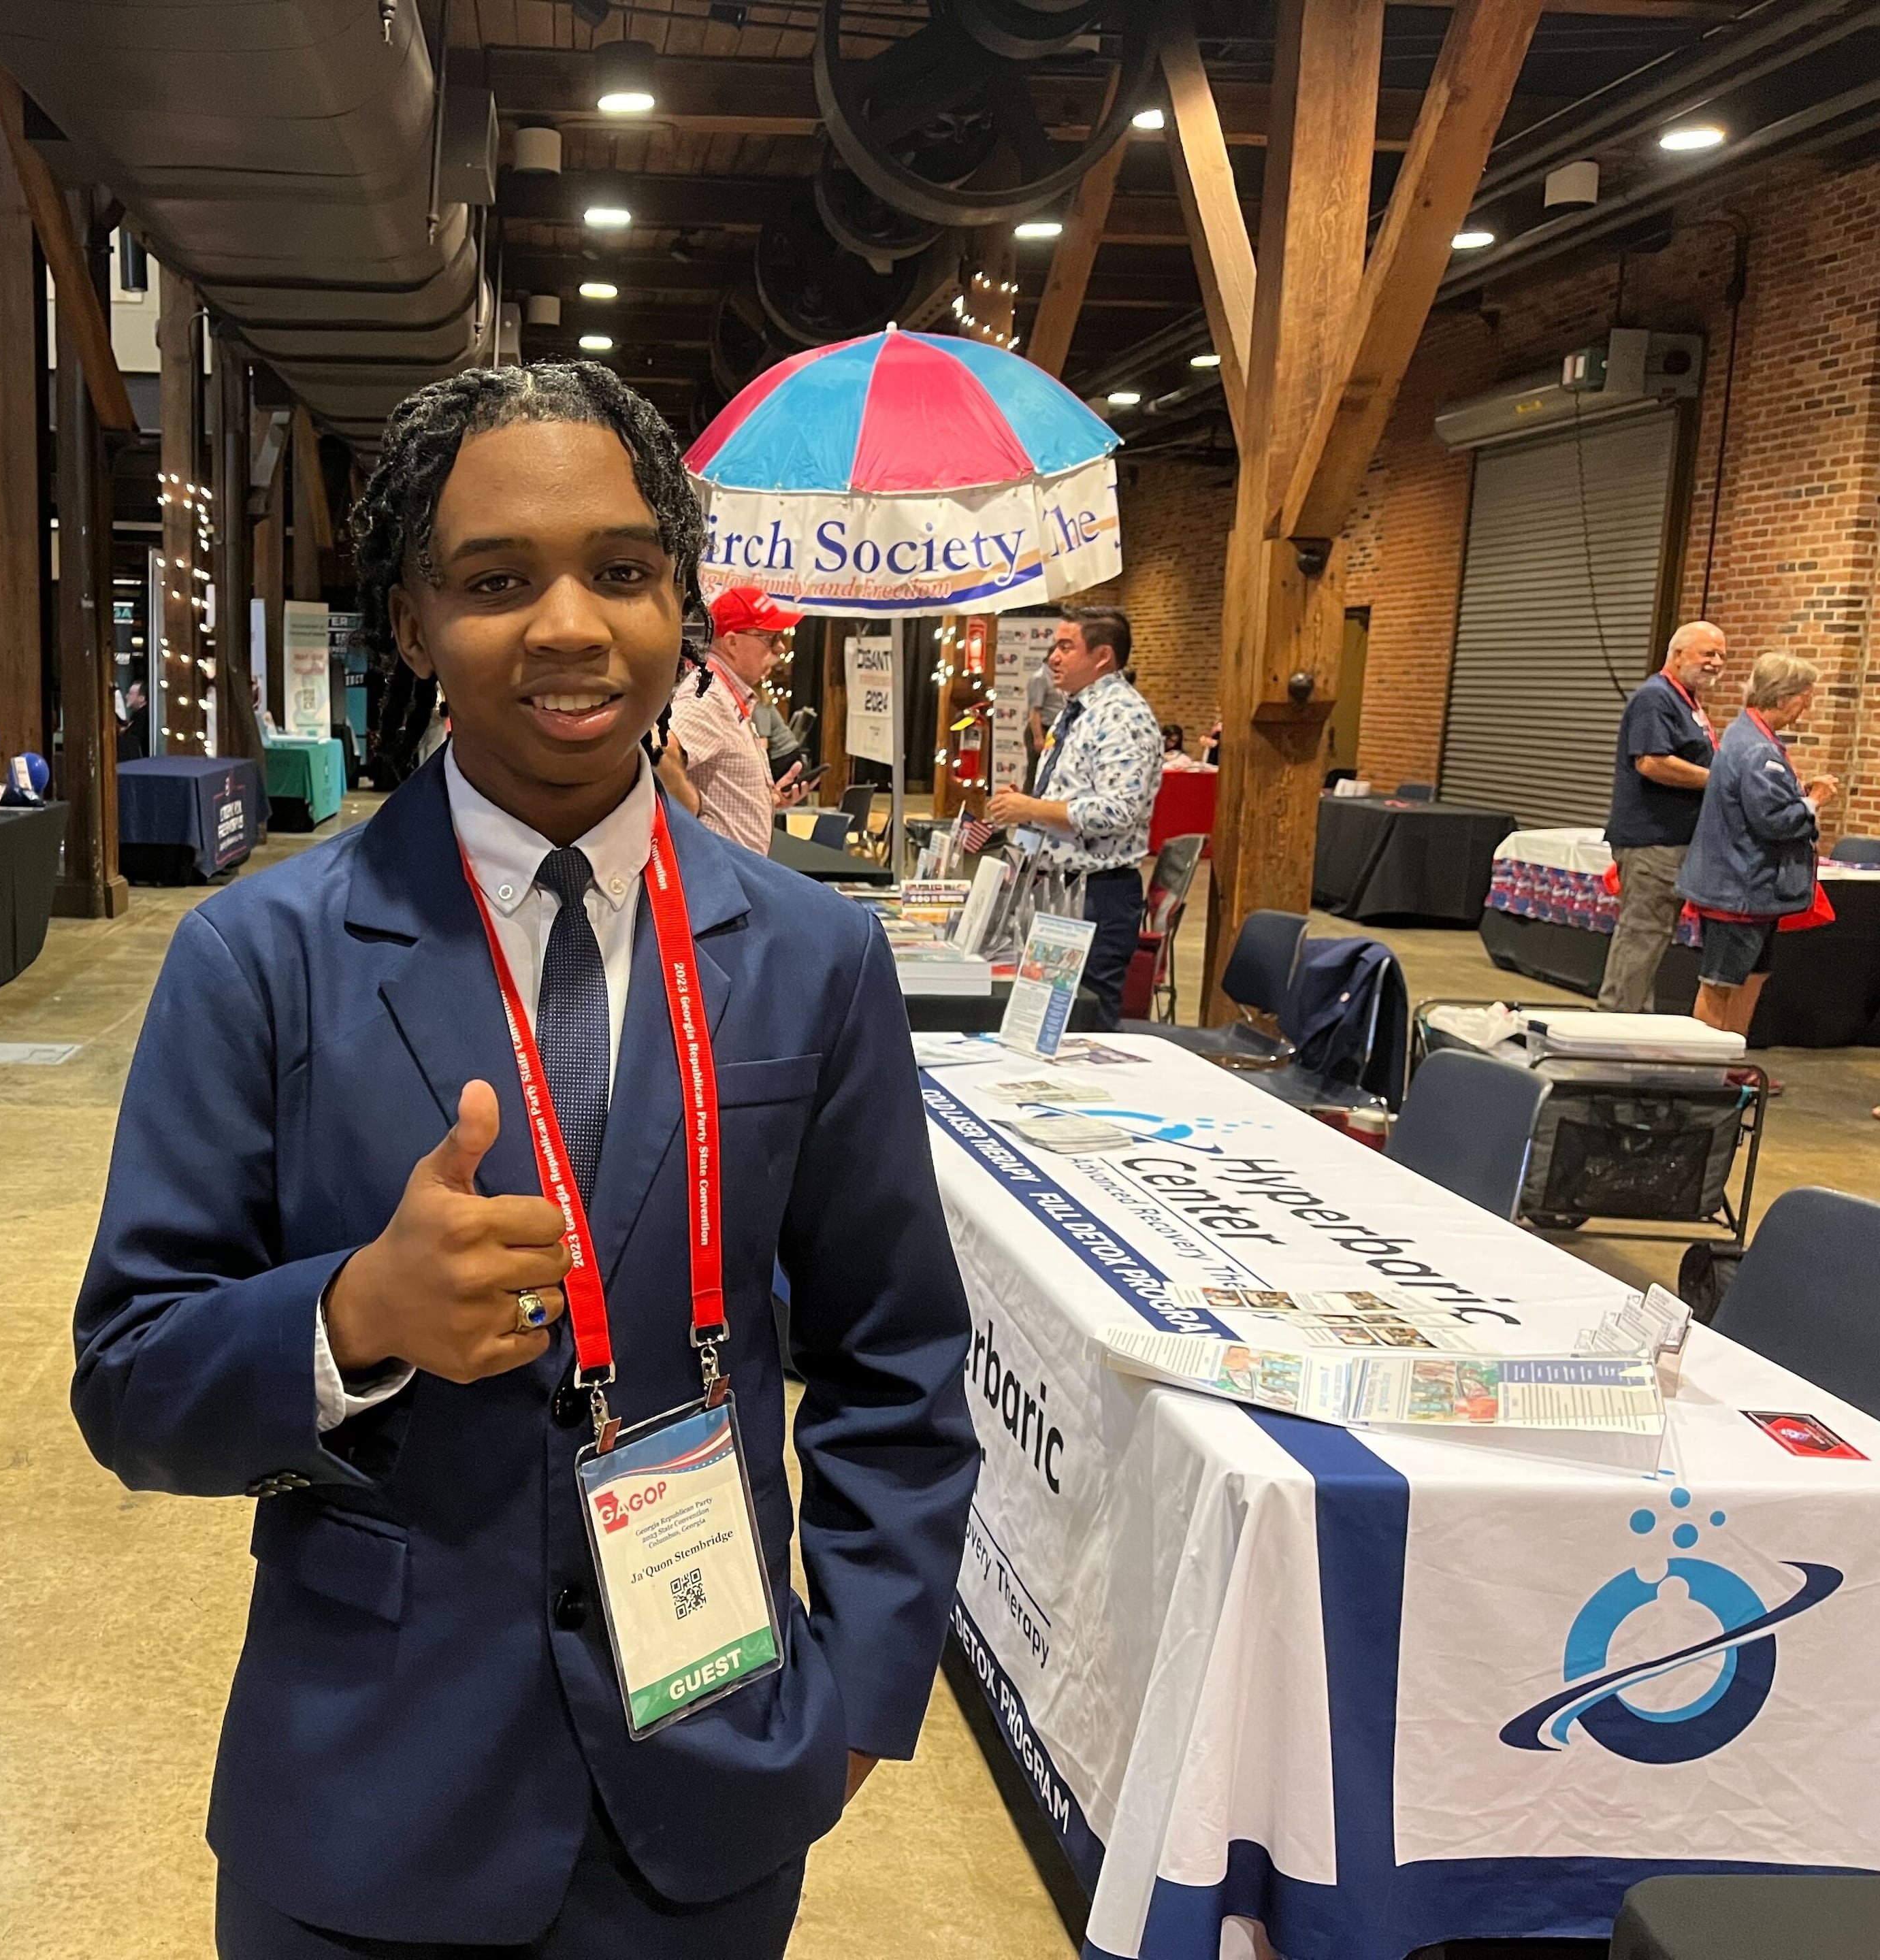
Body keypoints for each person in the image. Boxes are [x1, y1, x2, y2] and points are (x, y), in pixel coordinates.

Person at [74, 363, 977, 1959]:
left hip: (709, 1790)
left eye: (622, 571)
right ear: (413, 623)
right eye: (496, 583)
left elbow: (894, 1358)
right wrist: (350, 1318)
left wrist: (852, 1702)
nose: (570, 626)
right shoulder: (260, 961)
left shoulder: (810, 960)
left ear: (681, 606)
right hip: (367, 1804)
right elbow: (130, 1382)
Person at [984, 606, 1162, 1027]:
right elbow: (1074, 795)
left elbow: (1119, 810)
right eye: (1055, 647)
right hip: (1058, 890)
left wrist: (1032, 809)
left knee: (1086, 1024)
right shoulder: (1076, 710)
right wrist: (1031, 806)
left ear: (1102, 656)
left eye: (1066, 647)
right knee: (1045, 1022)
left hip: (1097, 895)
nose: (1054, 657)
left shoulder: (1123, 716)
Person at [1676, 651, 1834, 1044]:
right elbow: (1775, 821)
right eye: (1804, 698)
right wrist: (1814, 801)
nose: (1806, 707)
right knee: (1721, 984)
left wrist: (1797, 795)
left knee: (1752, 978)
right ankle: (1706, 1066)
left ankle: (1730, 1060)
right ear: (1782, 698)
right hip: (1740, 889)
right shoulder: (1758, 750)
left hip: (1749, 888)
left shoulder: (1746, 735)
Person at [1598, 621, 1725, 1014]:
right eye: (1708, 653)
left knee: (1651, 939)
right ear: (1678, 654)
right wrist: (1721, 779)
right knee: (1643, 935)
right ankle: (1615, 1024)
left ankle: (1635, 1023)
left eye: (1722, 656)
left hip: (1673, 841)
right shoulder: (1656, 698)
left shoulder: (1686, 702)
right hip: (1653, 842)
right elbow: (1652, 762)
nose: (1716, 662)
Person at [655, 585, 803, 851]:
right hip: (720, 870)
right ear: (733, 643)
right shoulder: (709, 694)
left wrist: (769, 799)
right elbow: (661, 750)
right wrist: (690, 808)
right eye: (771, 638)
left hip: (731, 867)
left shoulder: (725, 693)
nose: (780, 647)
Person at [1024, 656, 1065, 790]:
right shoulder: (1040, 678)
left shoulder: (1058, 678)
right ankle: (1028, 799)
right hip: (1041, 729)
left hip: (1054, 731)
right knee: (1035, 772)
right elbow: (1034, 710)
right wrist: (1038, 737)